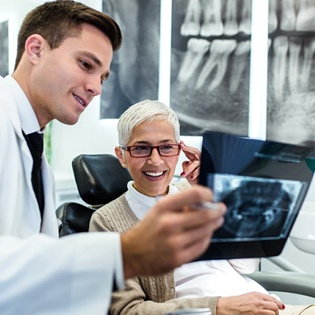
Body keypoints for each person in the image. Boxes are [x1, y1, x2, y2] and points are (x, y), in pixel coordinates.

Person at [0, 1, 227, 314]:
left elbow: (39, 285)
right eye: (86, 65)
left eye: (103, 77)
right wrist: (124, 254)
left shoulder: (38, 161)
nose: (96, 88)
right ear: (36, 49)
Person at [89, 99, 315, 315]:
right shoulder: (106, 221)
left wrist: (215, 193)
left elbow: (246, 267)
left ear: (179, 150)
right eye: (141, 148)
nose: (156, 160)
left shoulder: (194, 193)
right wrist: (218, 307)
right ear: (121, 156)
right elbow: (128, 310)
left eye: (167, 147)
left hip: (266, 306)